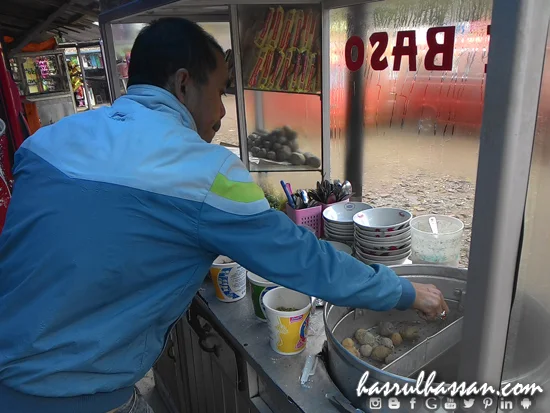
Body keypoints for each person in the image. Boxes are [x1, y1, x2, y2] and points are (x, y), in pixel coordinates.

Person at [0, 18, 448, 413]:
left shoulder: (49, 141)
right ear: (182, 84)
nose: (221, 112)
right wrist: (403, 291)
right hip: (74, 396)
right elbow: (304, 260)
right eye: (218, 92)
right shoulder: (205, 172)